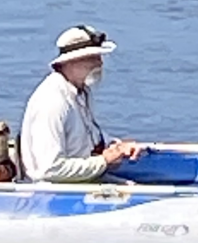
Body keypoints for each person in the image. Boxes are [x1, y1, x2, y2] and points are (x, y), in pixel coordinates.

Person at [19, 25, 140, 182]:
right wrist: (103, 162)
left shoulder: (81, 92)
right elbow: (49, 169)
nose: (100, 63)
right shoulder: (52, 102)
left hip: (83, 178)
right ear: (70, 62)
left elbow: (90, 136)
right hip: (51, 192)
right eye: (92, 58)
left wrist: (117, 146)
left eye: (99, 57)